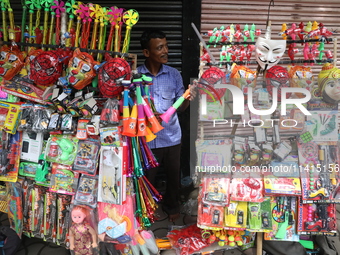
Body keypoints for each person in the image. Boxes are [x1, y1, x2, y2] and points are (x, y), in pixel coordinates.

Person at [137, 29, 195, 221]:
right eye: (159, 48)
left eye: (166, 46)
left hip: (171, 136)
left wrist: (187, 98)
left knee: (173, 177)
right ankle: (146, 211)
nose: (166, 51)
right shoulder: (136, 76)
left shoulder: (173, 74)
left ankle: (172, 208)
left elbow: (181, 107)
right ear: (147, 53)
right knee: (146, 178)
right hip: (146, 139)